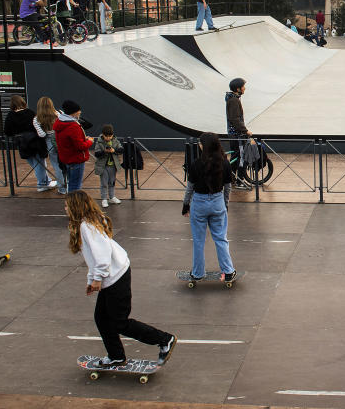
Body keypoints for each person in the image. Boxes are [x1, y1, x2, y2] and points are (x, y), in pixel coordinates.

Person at [65, 190, 177, 368]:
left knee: (119, 322)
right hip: (112, 275)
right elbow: (92, 258)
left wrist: (97, 278)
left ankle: (165, 339)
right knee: (101, 318)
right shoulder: (88, 223)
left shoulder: (87, 226)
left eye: (67, 205)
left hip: (116, 276)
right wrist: (92, 280)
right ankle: (116, 355)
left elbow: (102, 256)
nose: (65, 208)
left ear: (75, 207)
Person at [183, 132, 237, 282]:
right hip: (217, 202)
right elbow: (227, 188)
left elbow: (190, 188)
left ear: (204, 146)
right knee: (221, 238)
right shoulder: (224, 163)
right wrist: (225, 204)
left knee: (198, 240)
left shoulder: (195, 164)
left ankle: (198, 273)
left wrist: (186, 205)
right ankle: (228, 270)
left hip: (199, 204)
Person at [4, 95, 56, 193]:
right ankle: (42, 184)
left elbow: (7, 131)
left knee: (34, 163)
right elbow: (37, 125)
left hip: (22, 142)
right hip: (35, 141)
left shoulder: (10, 116)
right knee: (39, 163)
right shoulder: (29, 113)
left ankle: (46, 181)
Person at [54, 100, 94, 192]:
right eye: (78, 110)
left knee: (70, 183)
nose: (80, 112)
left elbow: (70, 140)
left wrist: (84, 139)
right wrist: (90, 141)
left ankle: (70, 204)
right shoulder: (73, 126)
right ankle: (74, 205)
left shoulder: (60, 122)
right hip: (76, 159)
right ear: (74, 112)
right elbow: (80, 146)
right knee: (75, 186)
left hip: (66, 158)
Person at [34, 97, 67, 194]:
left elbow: (42, 135)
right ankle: (70, 186)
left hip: (49, 142)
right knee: (66, 164)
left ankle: (62, 189)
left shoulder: (36, 119)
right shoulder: (58, 114)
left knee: (57, 166)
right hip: (61, 139)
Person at [224, 77, 252, 191]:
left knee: (236, 157)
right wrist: (245, 131)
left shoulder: (233, 99)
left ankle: (231, 179)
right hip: (237, 134)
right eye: (243, 86)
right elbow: (235, 119)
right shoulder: (234, 100)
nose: (245, 88)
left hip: (235, 134)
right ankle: (240, 182)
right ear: (238, 88)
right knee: (241, 157)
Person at [93, 124, 123, 208]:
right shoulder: (99, 142)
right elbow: (97, 153)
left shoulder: (115, 140)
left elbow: (121, 150)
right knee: (104, 183)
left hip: (113, 166)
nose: (108, 138)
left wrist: (114, 150)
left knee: (112, 182)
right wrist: (104, 151)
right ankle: (104, 199)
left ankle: (112, 197)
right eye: (106, 136)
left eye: (110, 136)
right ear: (103, 134)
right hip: (103, 166)